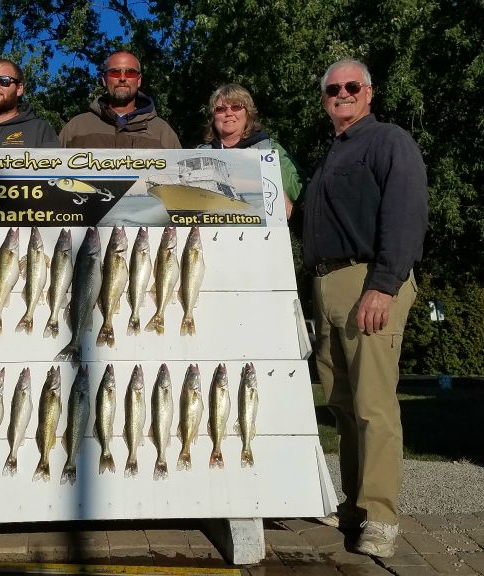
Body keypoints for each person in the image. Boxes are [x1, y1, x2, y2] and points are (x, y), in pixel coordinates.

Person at [303, 59, 428, 558]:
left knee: (374, 404)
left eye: (352, 86)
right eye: (333, 89)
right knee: (340, 401)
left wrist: (384, 284)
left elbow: (405, 213)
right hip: (326, 283)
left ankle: (380, 517)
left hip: (368, 280)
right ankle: (354, 505)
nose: (342, 93)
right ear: (324, 99)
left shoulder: (389, 141)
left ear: (369, 92)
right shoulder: (331, 154)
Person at [197, 83, 304, 217]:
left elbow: (300, 190)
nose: (228, 113)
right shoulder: (199, 154)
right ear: (213, 116)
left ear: (248, 113)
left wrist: (271, 169)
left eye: (236, 107)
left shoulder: (269, 147)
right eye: (220, 109)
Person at [59, 50, 181, 148]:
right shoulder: (76, 128)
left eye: (130, 73)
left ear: (138, 81)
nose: (122, 78)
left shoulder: (163, 133)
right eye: (115, 72)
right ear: (104, 80)